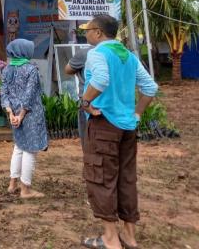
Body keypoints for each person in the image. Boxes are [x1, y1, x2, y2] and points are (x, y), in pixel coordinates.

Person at [79, 15, 158, 249]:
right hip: (127, 127)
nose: (86, 33)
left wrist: (85, 102)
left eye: (88, 29)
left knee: (102, 178)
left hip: (104, 123)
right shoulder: (128, 56)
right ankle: (130, 236)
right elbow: (150, 87)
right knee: (126, 178)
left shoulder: (97, 53)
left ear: (98, 32)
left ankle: (111, 239)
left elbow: (101, 79)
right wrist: (137, 114)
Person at [1, 38, 48, 199]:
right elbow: (29, 96)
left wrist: (11, 114)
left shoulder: (7, 69)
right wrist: (21, 115)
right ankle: (25, 189)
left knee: (19, 147)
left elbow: (4, 93)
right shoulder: (31, 69)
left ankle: (12, 184)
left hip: (14, 114)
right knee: (30, 149)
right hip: (30, 114)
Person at [66, 44, 91, 145]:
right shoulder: (124, 53)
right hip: (117, 106)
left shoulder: (85, 53)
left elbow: (68, 69)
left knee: (88, 143)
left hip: (90, 104)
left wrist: (85, 103)